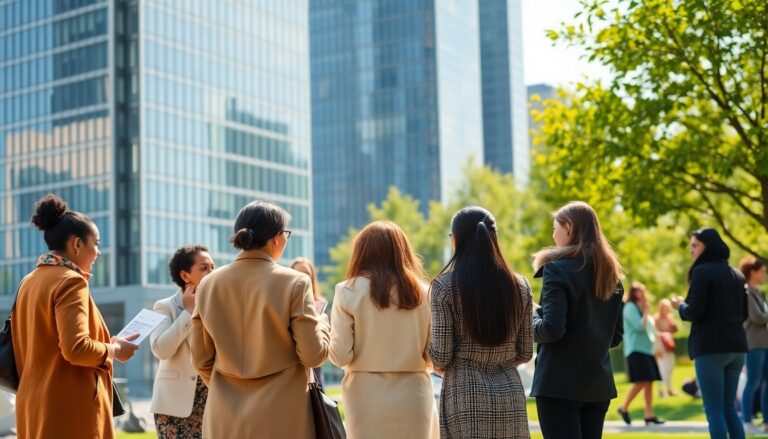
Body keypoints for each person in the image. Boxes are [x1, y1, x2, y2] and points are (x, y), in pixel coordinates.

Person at [190, 200, 331, 438]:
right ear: (276, 238)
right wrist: (322, 321)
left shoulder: (208, 284)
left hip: (224, 415)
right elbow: (313, 354)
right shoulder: (294, 282)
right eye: (286, 234)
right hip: (285, 413)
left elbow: (201, 359)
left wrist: (227, 387)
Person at [12, 195, 139, 438]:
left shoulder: (28, 282)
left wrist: (107, 344)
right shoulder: (71, 281)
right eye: (97, 243)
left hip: (33, 404)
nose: (99, 252)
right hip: (69, 410)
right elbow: (76, 349)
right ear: (78, 244)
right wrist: (114, 350)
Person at [430, 206, 533, 438]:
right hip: (510, 394)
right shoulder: (521, 286)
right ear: (494, 238)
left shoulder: (444, 287)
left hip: (464, 394)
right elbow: (525, 352)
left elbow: (441, 356)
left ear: (455, 240)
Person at [330, 221, 438, 439]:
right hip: (414, 391)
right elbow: (434, 355)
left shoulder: (347, 291)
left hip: (365, 395)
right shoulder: (426, 292)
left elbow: (340, 356)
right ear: (403, 250)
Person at [531, 201, 624, 439]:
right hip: (597, 386)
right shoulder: (612, 276)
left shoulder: (556, 270)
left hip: (558, 384)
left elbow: (552, 330)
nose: (553, 234)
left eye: (555, 228)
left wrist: (531, 316)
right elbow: (614, 337)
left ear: (569, 227)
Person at [672, 228, 748, 439]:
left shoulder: (701, 272)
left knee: (714, 411)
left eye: (695, 245)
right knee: (729, 409)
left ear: (708, 246)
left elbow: (693, 311)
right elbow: (744, 313)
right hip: (737, 349)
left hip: (711, 349)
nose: (691, 251)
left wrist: (679, 306)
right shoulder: (737, 274)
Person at [150, 245, 216, 438]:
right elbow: (161, 349)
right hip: (173, 406)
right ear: (186, 276)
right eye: (204, 268)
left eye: (213, 267)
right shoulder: (164, 306)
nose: (212, 272)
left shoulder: (218, 306)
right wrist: (188, 312)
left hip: (212, 401)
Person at [617, 282, 665, 425]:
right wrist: (645, 312)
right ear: (634, 292)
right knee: (641, 382)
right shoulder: (630, 307)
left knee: (649, 381)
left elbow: (650, 330)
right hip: (636, 350)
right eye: (640, 291)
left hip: (647, 350)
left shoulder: (643, 307)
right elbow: (639, 327)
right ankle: (623, 407)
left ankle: (649, 414)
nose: (643, 293)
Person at [739, 256, 768, 432]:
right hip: (754, 343)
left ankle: (766, 421)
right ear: (752, 272)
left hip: (764, 343)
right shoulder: (747, 293)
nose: (764, 275)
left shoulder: (758, 293)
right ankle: (747, 421)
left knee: (766, 381)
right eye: (762, 271)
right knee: (753, 382)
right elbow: (757, 317)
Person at [291, 257, 326, 388]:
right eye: (299, 273)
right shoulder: (285, 303)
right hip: (295, 368)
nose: (303, 278)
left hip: (315, 366)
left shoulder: (320, 302)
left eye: (307, 274)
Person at [654, 298, 679, 397]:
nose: (667, 309)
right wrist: (664, 334)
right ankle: (661, 390)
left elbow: (673, 331)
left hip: (668, 345)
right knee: (662, 368)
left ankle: (669, 389)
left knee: (670, 366)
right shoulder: (656, 318)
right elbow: (655, 333)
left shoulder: (670, 318)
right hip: (660, 345)